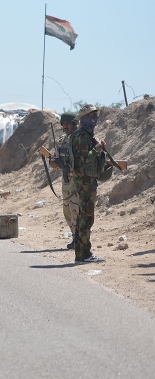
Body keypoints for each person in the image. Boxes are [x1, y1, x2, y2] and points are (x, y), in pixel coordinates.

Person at [68, 104, 106, 264]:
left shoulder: (83, 135)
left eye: (96, 116)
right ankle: (84, 254)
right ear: (85, 119)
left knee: (83, 216)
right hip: (85, 181)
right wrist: (97, 148)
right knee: (86, 218)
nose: (95, 119)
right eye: (92, 116)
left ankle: (81, 253)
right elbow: (85, 159)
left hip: (84, 180)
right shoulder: (82, 136)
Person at [49, 112, 80, 250]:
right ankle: (75, 238)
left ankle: (79, 239)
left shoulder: (79, 139)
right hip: (66, 180)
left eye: (68, 123)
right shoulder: (63, 140)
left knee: (76, 210)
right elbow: (54, 160)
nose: (65, 125)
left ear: (74, 123)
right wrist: (54, 162)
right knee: (67, 211)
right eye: (63, 123)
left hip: (77, 179)